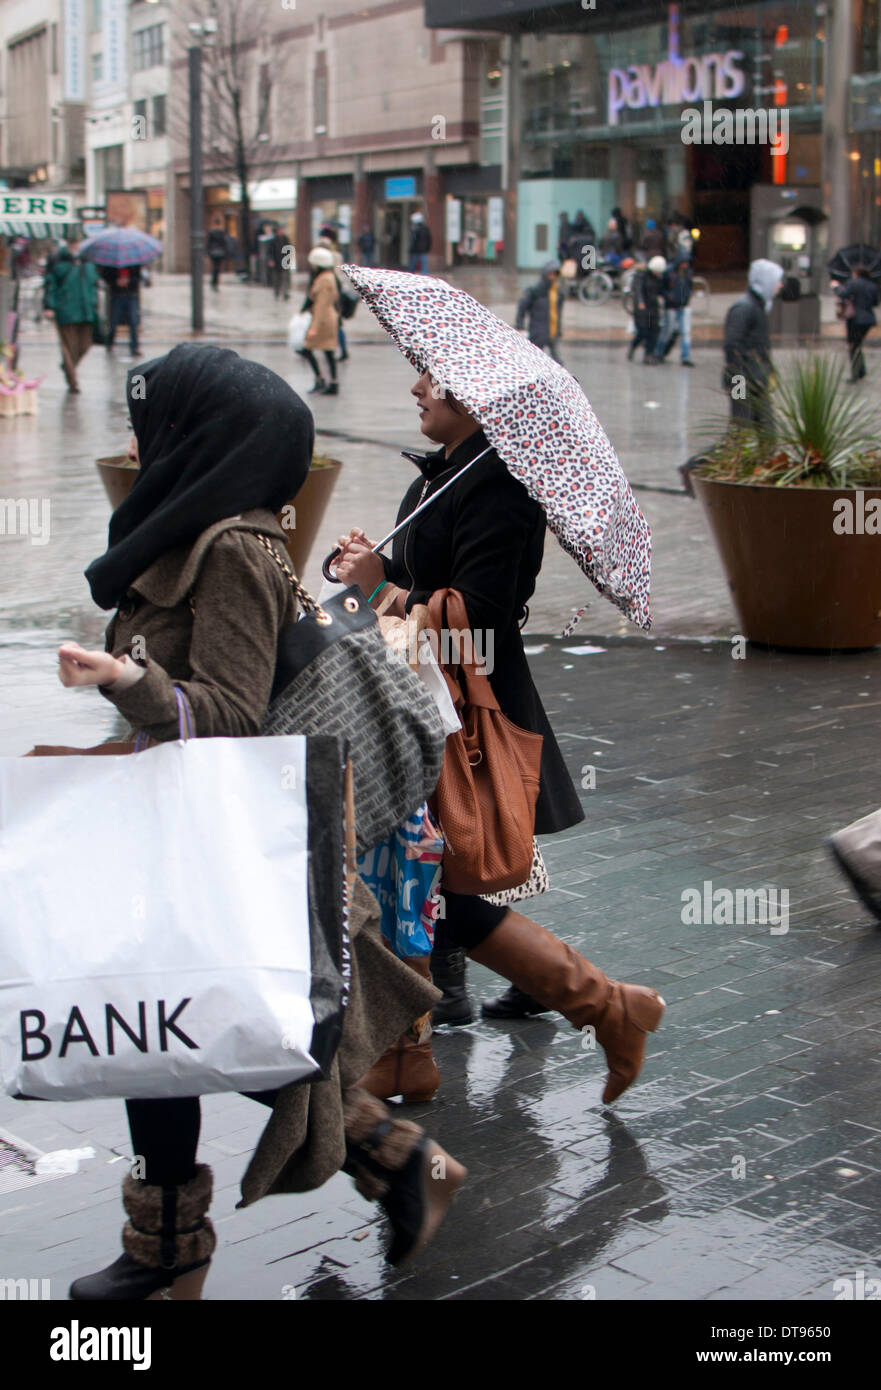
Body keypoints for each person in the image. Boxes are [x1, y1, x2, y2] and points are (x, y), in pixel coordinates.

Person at [56, 343, 465, 1299]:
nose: (133, 439)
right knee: (164, 1030)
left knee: (185, 1026)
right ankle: (369, 1167)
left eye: (148, 422)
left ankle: (200, 1239)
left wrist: (129, 680)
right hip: (176, 818)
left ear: (198, 434)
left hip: (229, 832)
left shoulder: (234, 546)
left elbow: (233, 709)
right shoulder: (180, 526)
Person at [332, 372, 666, 1095]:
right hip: (418, 704)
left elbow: (478, 619)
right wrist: (377, 567)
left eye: (432, 380)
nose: (415, 387)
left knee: (430, 881)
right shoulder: (444, 474)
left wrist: (381, 589)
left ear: (473, 399)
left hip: (465, 714)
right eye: (414, 372)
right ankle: (601, 1009)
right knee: (422, 882)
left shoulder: (501, 489)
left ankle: (597, 1009)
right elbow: (425, 581)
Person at [723, 259, 784, 432]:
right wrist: (740, 379)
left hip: (756, 379)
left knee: (766, 430)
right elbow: (731, 346)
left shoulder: (758, 307)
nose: (780, 285)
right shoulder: (744, 308)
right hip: (742, 379)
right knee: (741, 430)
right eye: (776, 280)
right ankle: (700, 461)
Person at [42, 237, 98, 393]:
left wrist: (94, 303)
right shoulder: (57, 259)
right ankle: (72, 382)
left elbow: (93, 284)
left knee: (85, 344)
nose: (75, 244)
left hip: (85, 310)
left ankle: (68, 367)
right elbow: (49, 284)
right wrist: (49, 306)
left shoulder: (87, 260)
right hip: (65, 309)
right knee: (68, 347)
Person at [296, 246, 340, 395]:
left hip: (323, 321)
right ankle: (332, 382)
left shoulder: (325, 280)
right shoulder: (327, 277)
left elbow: (321, 305)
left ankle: (322, 380)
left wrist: (314, 327)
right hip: (326, 319)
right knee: (328, 352)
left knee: (308, 349)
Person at [515, 260, 565, 363]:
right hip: (538, 333)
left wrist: (558, 331)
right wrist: (520, 326)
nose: (552, 277)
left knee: (558, 363)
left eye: (555, 274)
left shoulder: (558, 293)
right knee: (533, 360)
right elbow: (522, 307)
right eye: (550, 274)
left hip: (552, 333)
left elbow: (558, 313)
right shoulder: (535, 291)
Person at [836, 265, 879, 382]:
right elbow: (875, 302)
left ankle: (855, 375)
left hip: (855, 319)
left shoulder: (853, 283)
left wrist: (836, 287)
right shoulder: (872, 286)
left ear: (856, 274)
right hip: (868, 319)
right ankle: (861, 372)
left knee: (853, 346)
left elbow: (843, 294)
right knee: (857, 344)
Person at [317, 224, 348, 360]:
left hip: (332, 291)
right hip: (335, 289)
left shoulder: (330, 255)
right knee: (335, 322)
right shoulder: (336, 253)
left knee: (334, 322)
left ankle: (339, 349)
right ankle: (340, 349)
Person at [628, 255, 666, 364]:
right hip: (643, 309)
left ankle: (648, 354)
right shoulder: (642, 275)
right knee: (643, 331)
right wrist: (640, 302)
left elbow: (661, 290)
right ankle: (633, 345)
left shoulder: (659, 277)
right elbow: (638, 289)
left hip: (653, 307)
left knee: (654, 331)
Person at [658, 258, 695, 367]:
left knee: (685, 332)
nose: (685, 265)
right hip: (672, 306)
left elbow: (689, 286)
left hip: (683, 305)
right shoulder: (669, 272)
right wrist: (669, 297)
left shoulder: (687, 272)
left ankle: (685, 357)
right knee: (668, 331)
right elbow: (662, 287)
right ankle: (659, 352)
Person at [101, 264, 142, 356]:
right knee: (113, 321)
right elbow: (105, 276)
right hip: (117, 295)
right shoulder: (112, 263)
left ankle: (134, 347)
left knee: (133, 321)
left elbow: (138, 277)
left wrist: (129, 281)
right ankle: (110, 343)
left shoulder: (134, 263)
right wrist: (116, 281)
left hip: (131, 295)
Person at [205, 218, 229, 291]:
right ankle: (215, 282)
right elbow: (224, 243)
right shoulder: (221, 232)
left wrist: (208, 252)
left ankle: (213, 282)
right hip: (220, 252)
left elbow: (209, 243)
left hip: (214, 252)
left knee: (215, 267)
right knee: (217, 268)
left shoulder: (212, 232)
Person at [270, 225, 291, 300]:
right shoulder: (273, 240)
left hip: (284, 262)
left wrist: (288, 260)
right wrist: (271, 260)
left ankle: (285, 293)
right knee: (276, 280)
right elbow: (270, 251)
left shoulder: (286, 239)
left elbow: (289, 250)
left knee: (285, 279)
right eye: (280, 230)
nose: (281, 232)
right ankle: (277, 292)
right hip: (276, 263)